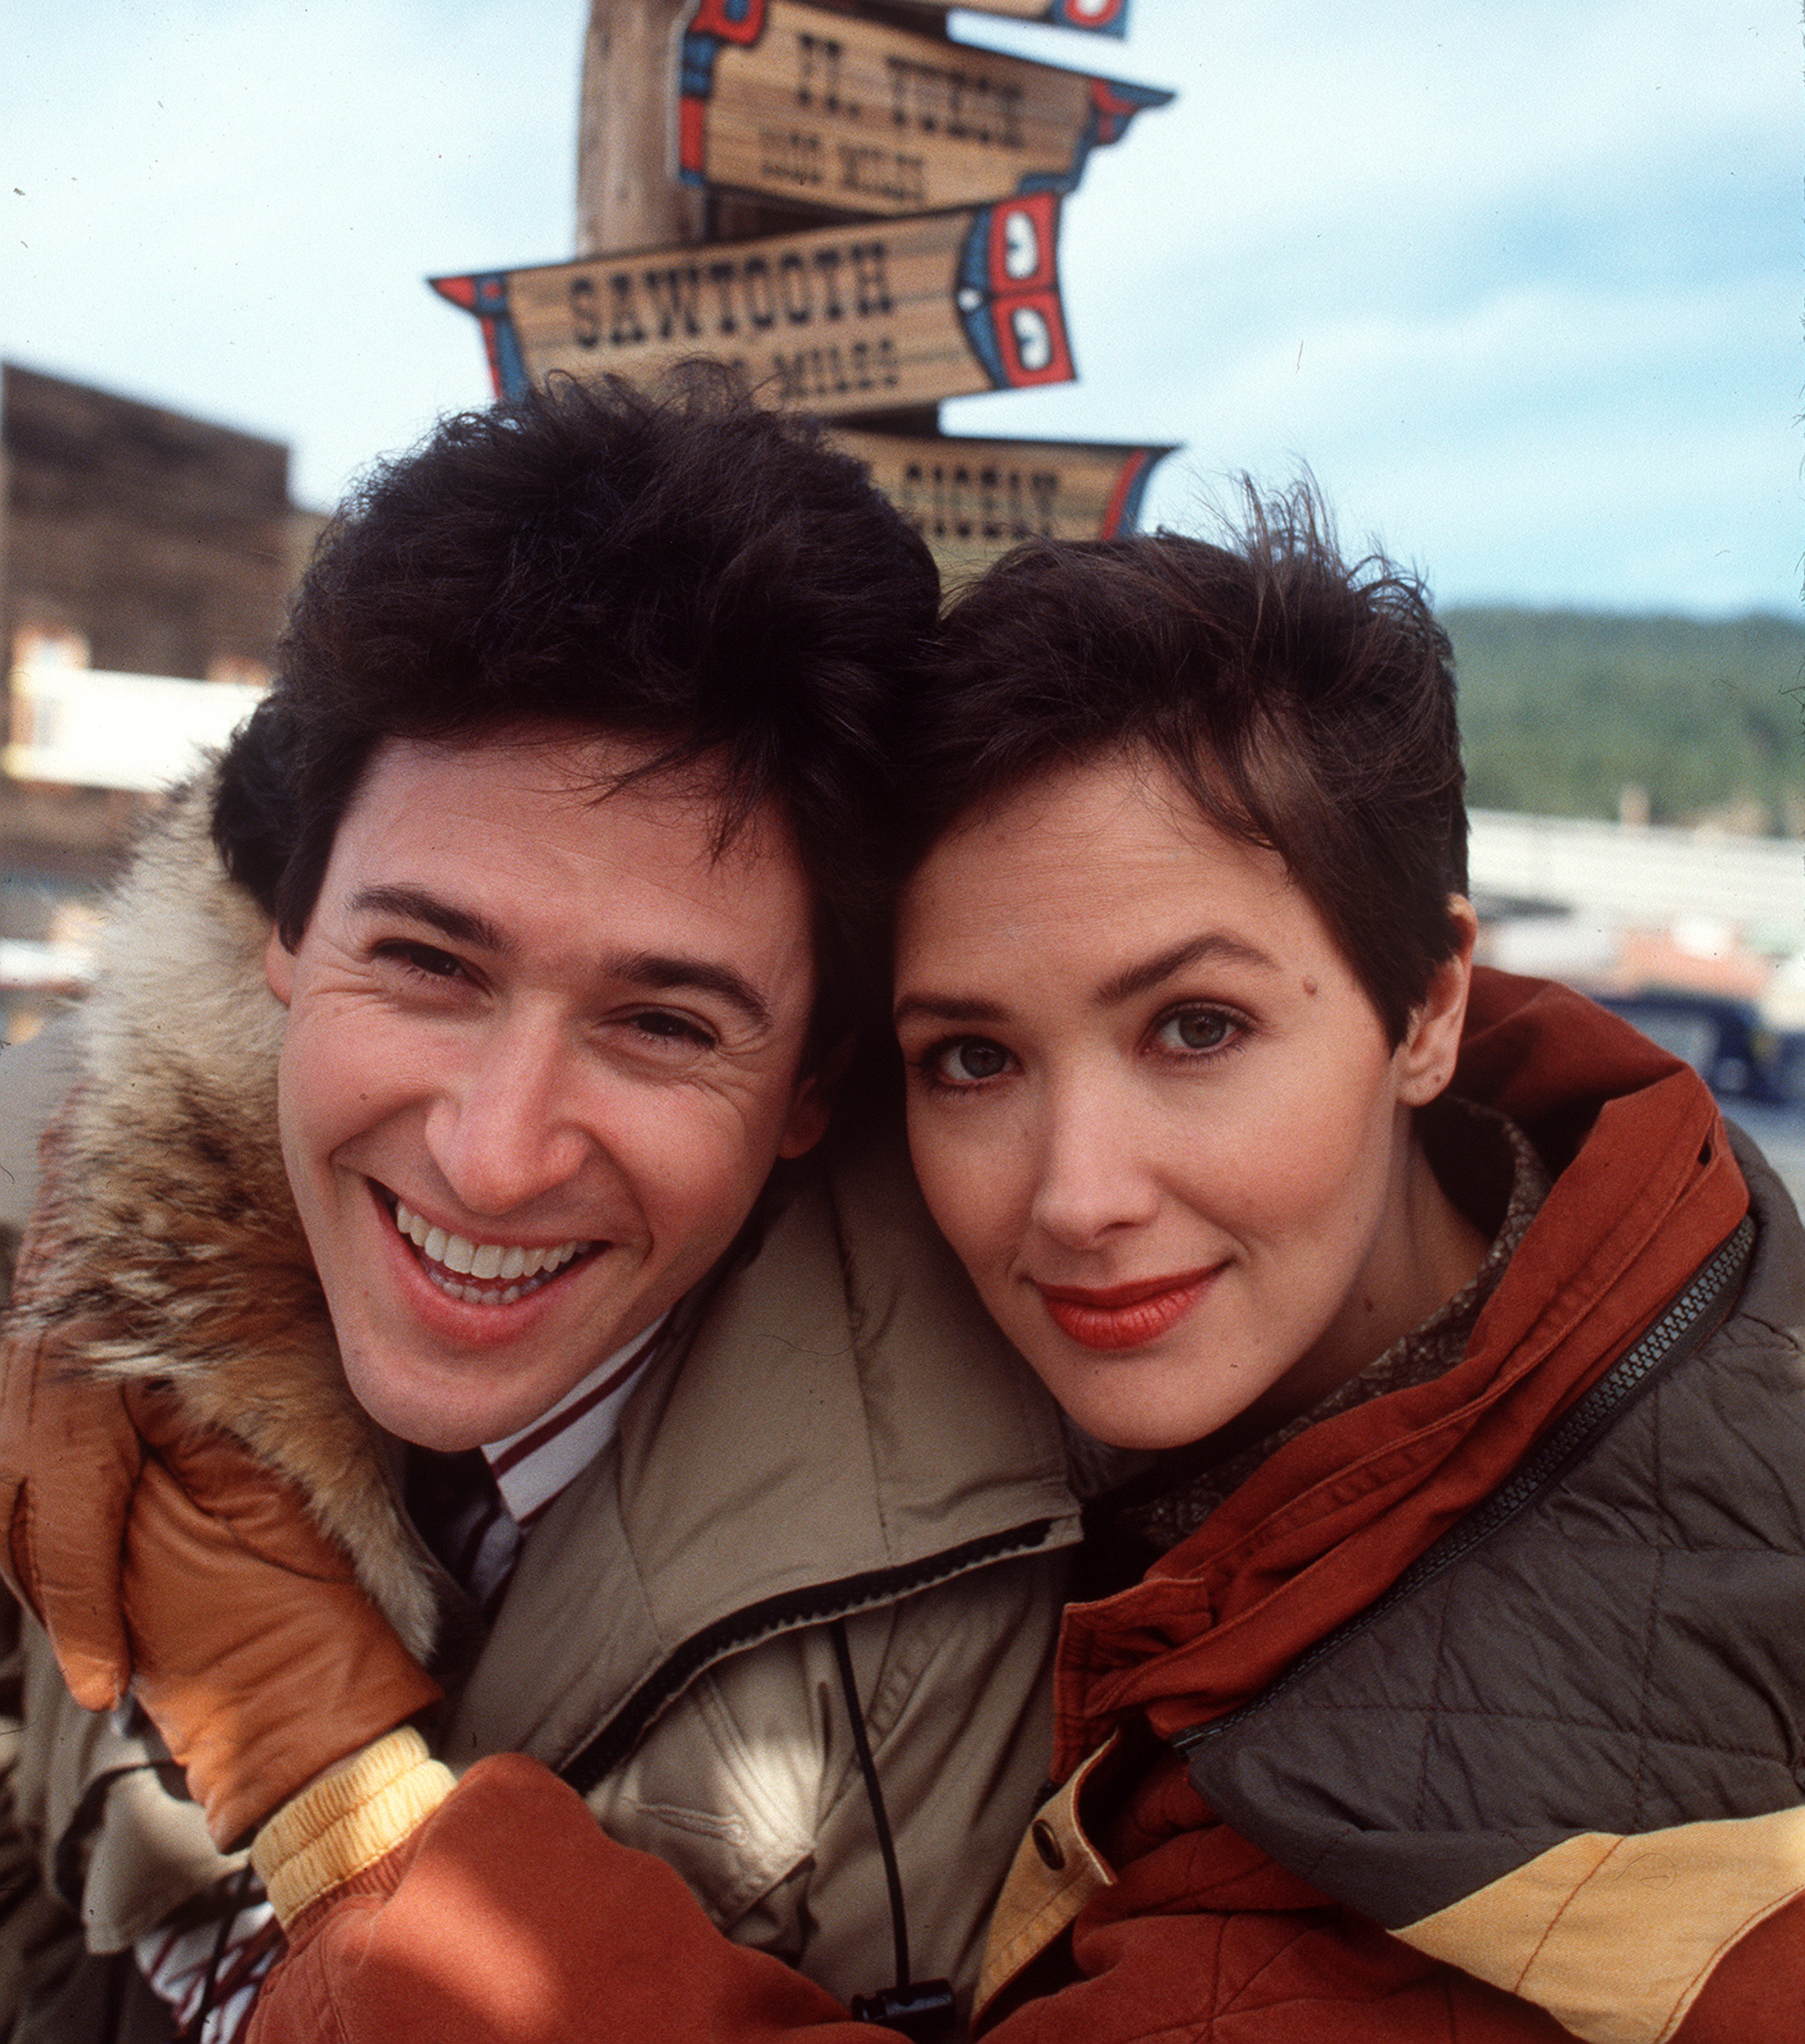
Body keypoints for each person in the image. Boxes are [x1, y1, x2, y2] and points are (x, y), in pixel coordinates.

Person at [8, 494, 1803, 2043]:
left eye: (1193, 1026)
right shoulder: (1449, 1298)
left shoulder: (1583, 1661)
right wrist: (165, 1238)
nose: (1077, 1198)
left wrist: (336, 1792)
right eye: (971, 1056)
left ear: (1429, 1009)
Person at [0, 378, 1080, 2041]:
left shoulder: (1053, 1556)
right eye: (426, 963)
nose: (496, 1158)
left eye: (661, 1026)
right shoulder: (48, 1252)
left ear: (811, 1089)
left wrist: (336, 1801)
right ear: (283, 931)